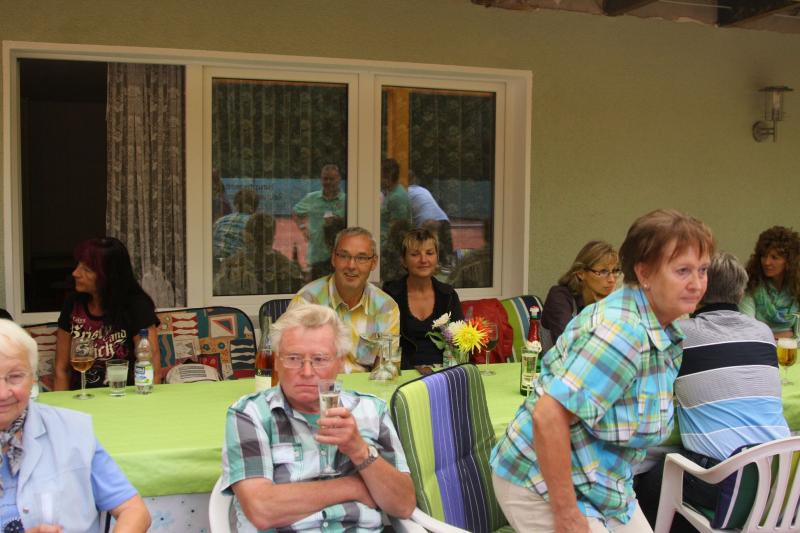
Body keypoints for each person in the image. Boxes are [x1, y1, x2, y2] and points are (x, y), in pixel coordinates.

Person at [491, 208, 714, 533]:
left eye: (703, 270)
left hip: (604, 484)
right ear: (644, 273)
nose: (697, 283)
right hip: (541, 484)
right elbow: (548, 417)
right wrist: (567, 513)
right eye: (683, 271)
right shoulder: (621, 332)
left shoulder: (663, 328)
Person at [220, 303, 415, 532]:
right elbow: (262, 510)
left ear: (340, 363)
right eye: (293, 358)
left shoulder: (372, 410)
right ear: (277, 362)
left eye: (320, 359)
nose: (306, 372)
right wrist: (354, 487)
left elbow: (403, 505)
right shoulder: (250, 414)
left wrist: (359, 450)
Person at [635, 252, 789, 530]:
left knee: (647, 480)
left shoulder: (679, 335)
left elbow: (648, 388)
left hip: (725, 483)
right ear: (740, 291)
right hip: (778, 480)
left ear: (699, 288)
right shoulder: (764, 332)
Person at [0, 319, 151, 532]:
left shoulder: (72, 430)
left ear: (33, 379)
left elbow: (133, 510)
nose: (2, 393)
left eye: (15, 376)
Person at [54, 237, 161, 391]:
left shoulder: (136, 305)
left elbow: (152, 371)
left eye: (86, 270)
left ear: (109, 276)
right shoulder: (73, 304)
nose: (75, 273)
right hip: (82, 396)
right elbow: (61, 370)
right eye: (78, 265)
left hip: (125, 396)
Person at [290, 227, 400, 372]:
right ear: (333, 258)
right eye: (344, 256)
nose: (351, 265)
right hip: (318, 383)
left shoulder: (385, 308)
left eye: (361, 258)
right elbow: (291, 361)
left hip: (365, 386)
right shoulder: (307, 302)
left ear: (374, 262)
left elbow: (386, 370)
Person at [383, 228, 464, 370]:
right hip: (402, 372)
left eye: (429, 253)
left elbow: (460, 343)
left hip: (443, 372)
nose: (423, 260)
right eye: (415, 254)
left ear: (437, 258)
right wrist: (414, 370)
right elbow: (386, 346)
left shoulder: (448, 295)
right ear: (403, 260)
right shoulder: (390, 295)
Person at [541, 240, 620, 342]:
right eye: (603, 271)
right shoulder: (559, 296)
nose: (612, 279)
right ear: (581, 273)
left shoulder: (613, 300)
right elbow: (567, 342)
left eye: (615, 271)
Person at [214, 213, 305, 295]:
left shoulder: (231, 264)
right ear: (271, 238)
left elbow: (217, 291)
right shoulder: (285, 265)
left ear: (246, 236)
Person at [741, 225, 800, 338]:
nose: (766, 262)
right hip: (759, 346)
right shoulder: (751, 284)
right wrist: (783, 335)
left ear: (789, 261)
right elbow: (747, 330)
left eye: (774, 257)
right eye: (764, 256)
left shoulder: (796, 287)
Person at [293, 164, 347, 280]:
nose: (328, 182)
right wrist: (303, 228)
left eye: (331, 179)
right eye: (325, 179)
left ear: (339, 179)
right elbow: (296, 212)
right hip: (316, 256)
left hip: (340, 257)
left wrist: (337, 221)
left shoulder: (346, 200)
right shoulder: (312, 198)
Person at [407, 170, 454, 266]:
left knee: (427, 249)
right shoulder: (423, 189)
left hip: (427, 221)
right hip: (443, 218)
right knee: (446, 250)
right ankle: (449, 264)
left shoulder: (406, 192)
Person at [212, 187, 259, 260]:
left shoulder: (220, 221)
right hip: (236, 263)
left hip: (215, 262)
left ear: (235, 204)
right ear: (254, 207)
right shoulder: (255, 223)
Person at [379, 158, 412, 253]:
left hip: (388, 250)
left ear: (388, 178)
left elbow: (397, 231)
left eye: (380, 175)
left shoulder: (397, 197)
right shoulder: (391, 193)